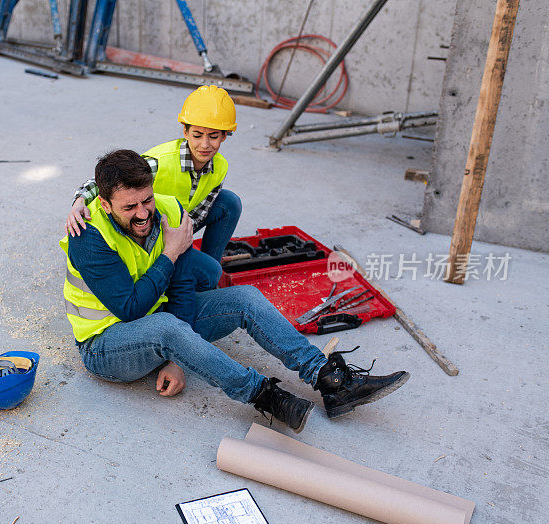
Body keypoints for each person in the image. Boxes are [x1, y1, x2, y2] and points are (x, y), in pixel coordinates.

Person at [59, 150, 409, 432]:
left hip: (161, 320)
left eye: (146, 200)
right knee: (167, 328)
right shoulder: (88, 238)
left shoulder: (167, 209)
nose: (142, 213)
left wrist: (176, 359)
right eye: (129, 207)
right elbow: (132, 309)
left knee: (244, 298)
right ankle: (265, 396)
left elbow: (181, 287)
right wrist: (171, 251)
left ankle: (328, 379)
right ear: (105, 205)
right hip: (106, 344)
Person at [65, 85, 242, 291]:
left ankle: (205, 276)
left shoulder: (219, 167)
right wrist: (79, 201)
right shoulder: (160, 162)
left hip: (172, 225)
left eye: (213, 136)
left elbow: (197, 215)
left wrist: (180, 241)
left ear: (224, 136)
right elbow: (108, 177)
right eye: (197, 135)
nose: (204, 144)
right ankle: (193, 275)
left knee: (229, 203)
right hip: (143, 229)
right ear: (185, 132)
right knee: (210, 272)